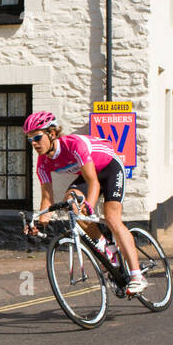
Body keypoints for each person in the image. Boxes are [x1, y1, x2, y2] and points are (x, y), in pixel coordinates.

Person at [22, 111, 146, 295]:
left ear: (53, 134)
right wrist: (40, 222)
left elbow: (94, 182)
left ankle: (137, 276)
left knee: (112, 218)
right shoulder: (42, 162)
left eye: (37, 137)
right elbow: (47, 198)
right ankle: (105, 246)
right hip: (90, 175)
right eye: (29, 139)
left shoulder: (74, 145)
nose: (34, 143)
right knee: (71, 201)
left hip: (110, 168)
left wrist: (89, 205)